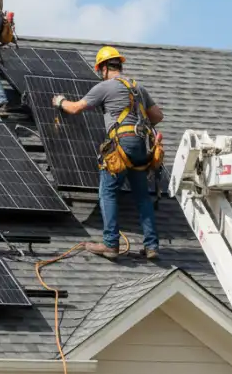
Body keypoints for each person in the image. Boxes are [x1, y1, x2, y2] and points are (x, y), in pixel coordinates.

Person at [52, 46, 164, 261]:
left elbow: (75, 108)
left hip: (121, 145)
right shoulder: (137, 87)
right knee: (142, 197)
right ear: (119, 65)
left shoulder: (105, 87)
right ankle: (151, 247)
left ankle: (110, 244)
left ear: (103, 68)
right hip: (142, 147)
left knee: (108, 193)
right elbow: (157, 116)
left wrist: (60, 102)